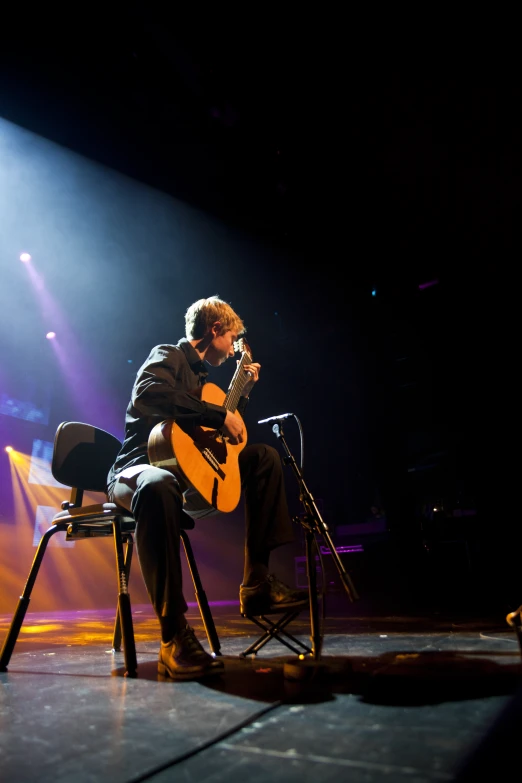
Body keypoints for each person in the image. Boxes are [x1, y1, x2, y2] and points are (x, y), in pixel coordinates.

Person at [106, 295, 307, 680]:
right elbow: (147, 397)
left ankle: (257, 583)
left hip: (183, 477)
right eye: (231, 337)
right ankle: (173, 635)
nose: (233, 347)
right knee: (158, 483)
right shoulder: (168, 355)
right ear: (215, 330)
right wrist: (218, 414)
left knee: (263, 457)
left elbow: (215, 442)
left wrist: (241, 394)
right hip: (136, 473)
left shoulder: (202, 382)